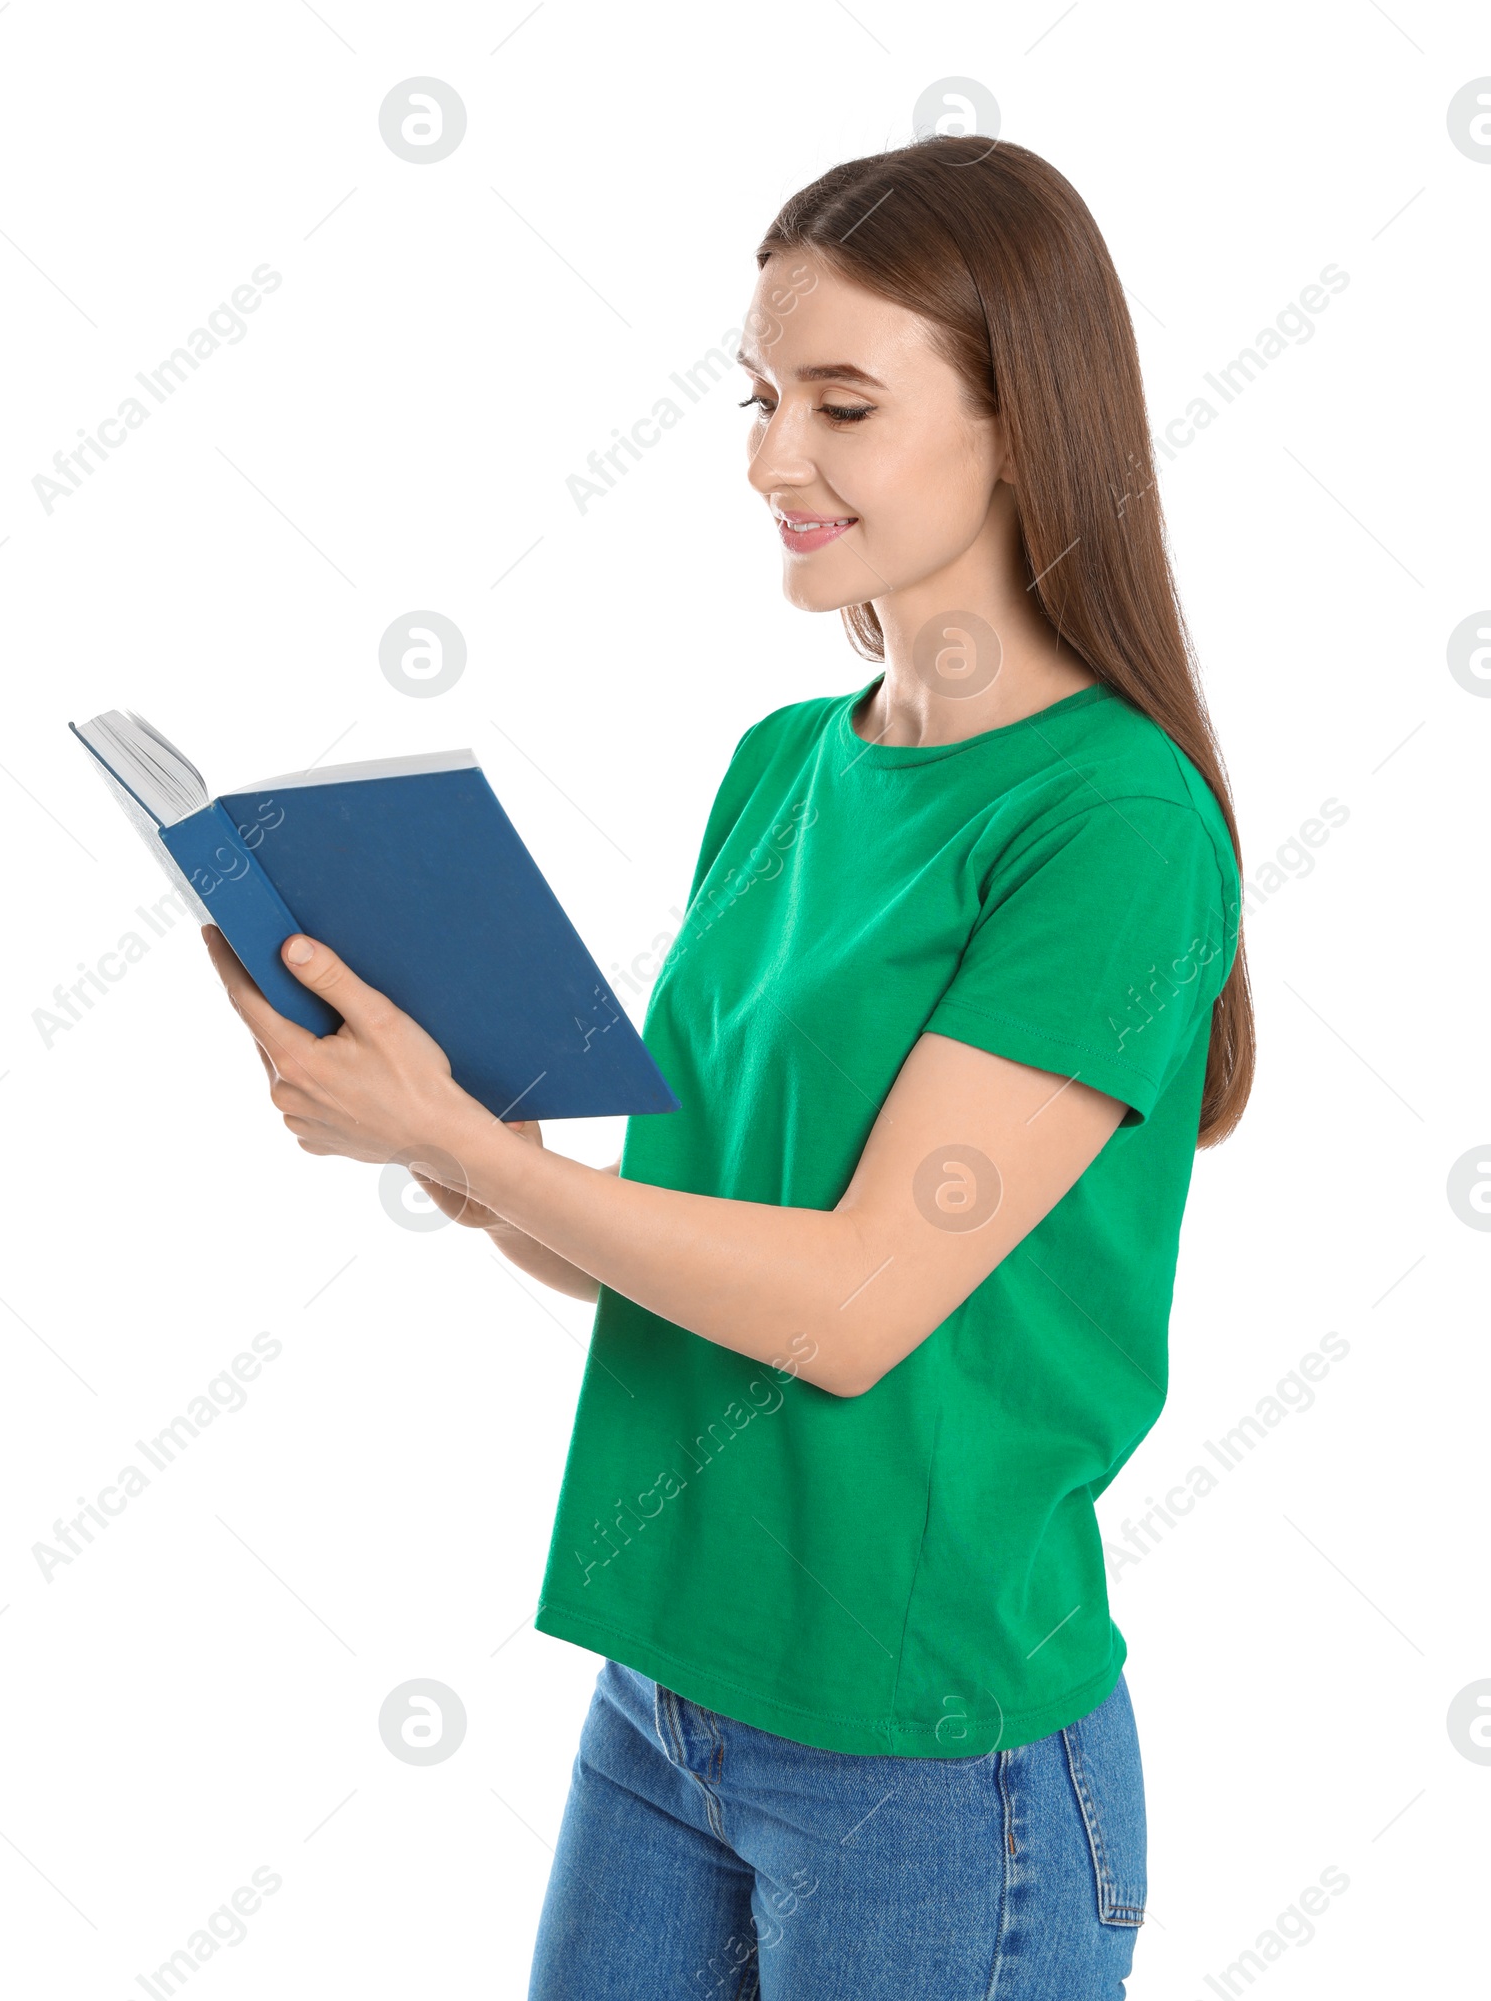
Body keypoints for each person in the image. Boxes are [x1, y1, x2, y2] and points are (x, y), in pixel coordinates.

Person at [206, 133, 1253, 1999]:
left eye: (843, 404)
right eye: (763, 397)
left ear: (1024, 419)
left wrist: (468, 1143)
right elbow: (670, 1239)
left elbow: (851, 1304)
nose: (773, 460)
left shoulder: (1113, 825)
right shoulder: (784, 766)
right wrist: (438, 1139)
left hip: (932, 1757)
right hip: (671, 1691)